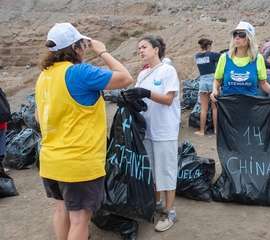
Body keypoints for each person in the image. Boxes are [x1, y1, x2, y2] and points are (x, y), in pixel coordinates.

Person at [35, 22, 133, 240]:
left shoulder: (45, 76)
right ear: (76, 47)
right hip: (78, 163)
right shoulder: (79, 73)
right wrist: (103, 51)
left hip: (51, 159)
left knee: (61, 210)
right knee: (79, 220)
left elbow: (38, 116)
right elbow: (125, 78)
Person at [124, 36, 180, 232]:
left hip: (165, 130)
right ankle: (156, 204)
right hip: (147, 131)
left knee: (166, 171)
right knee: (153, 171)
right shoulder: (143, 75)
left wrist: (145, 93)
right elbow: (141, 103)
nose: (140, 51)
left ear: (156, 49)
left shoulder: (168, 71)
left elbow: (167, 99)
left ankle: (170, 212)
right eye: (138, 48)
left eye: (144, 47)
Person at [210, 21, 270, 103]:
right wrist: (215, 90)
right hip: (228, 108)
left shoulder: (258, 59)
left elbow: (263, 83)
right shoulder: (224, 58)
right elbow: (217, 80)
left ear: (249, 38)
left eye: (241, 35)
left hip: (250, 107)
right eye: (235, 34)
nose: (237, 37)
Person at [194, 38, 220, 136]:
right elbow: (222, 57)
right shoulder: (212, 54)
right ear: (208, 46)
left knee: (203, 108)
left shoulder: (197, 56)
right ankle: (216, 130)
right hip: (212, 81)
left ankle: (201, 131)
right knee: (214, 108)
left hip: (203, 81)